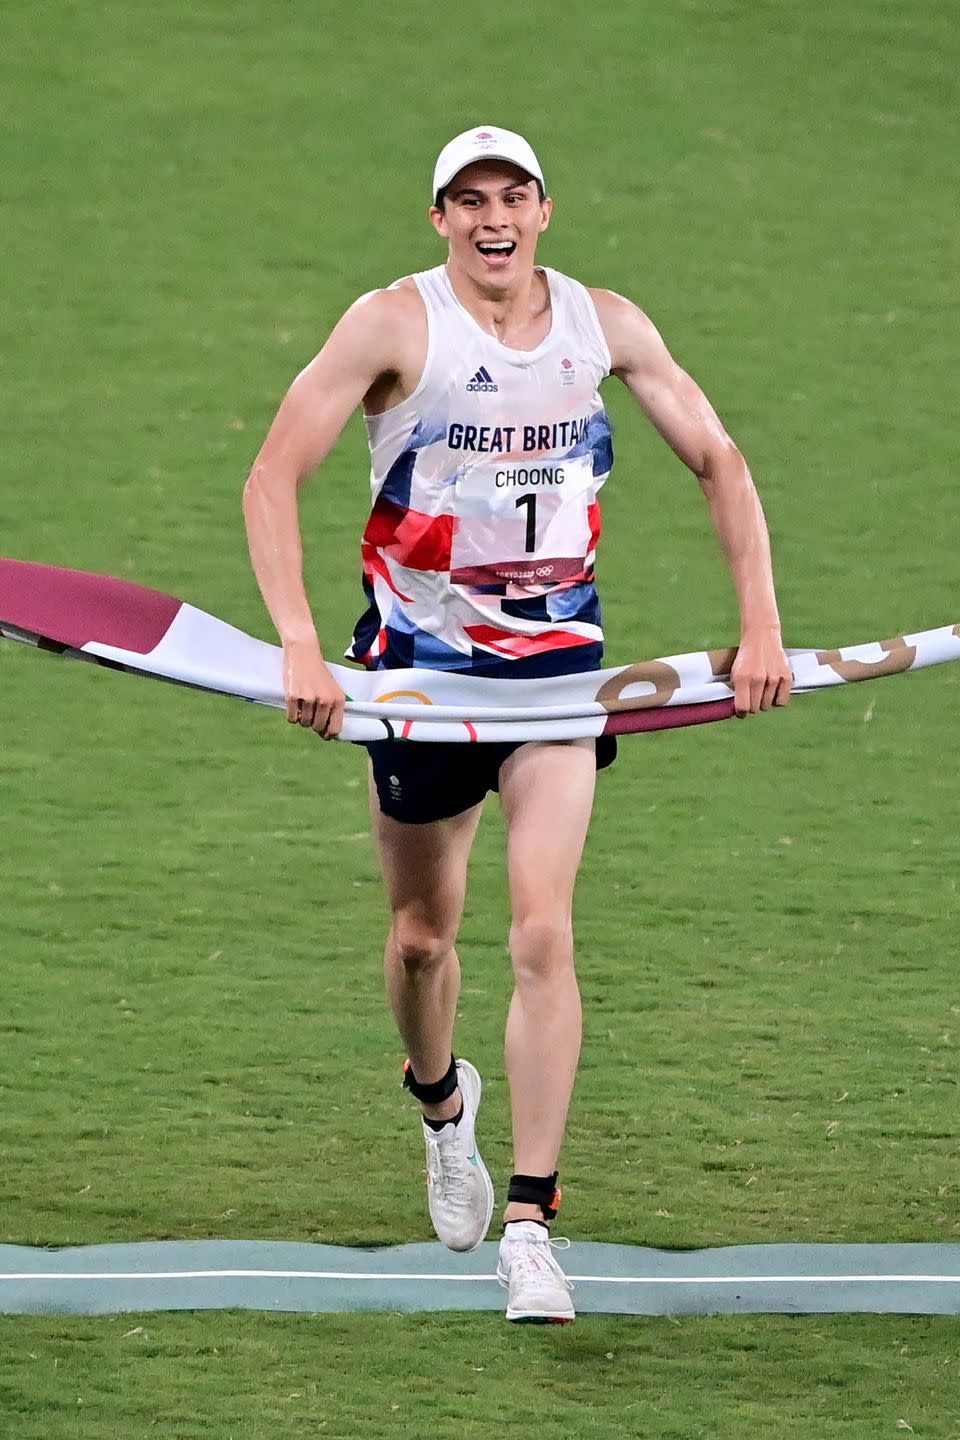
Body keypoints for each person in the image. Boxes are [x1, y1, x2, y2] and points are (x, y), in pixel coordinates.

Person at [242, 125, 792, 1324]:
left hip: (556, 683)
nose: (494, 219)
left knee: (543, 929)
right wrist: (295, 638)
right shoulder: (395, 323)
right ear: (440, 218)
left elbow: (720, 457)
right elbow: (272, 475)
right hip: (421, 680)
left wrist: (761, 621)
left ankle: (534, 1228)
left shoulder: (605, 324)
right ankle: (443, 1107)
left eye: (514, 196)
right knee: (424, 941)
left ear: (546, 208)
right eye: (469, 201)